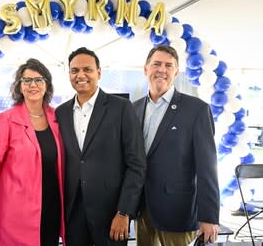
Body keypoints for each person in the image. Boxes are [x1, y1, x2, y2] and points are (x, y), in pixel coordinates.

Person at [55, 47, 146, 246]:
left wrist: (124, 212)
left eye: (87, 69)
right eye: (74, 70)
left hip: (112, 213)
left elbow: (136, 164)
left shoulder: (121, 108)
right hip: (72, 214)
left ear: (99, 73)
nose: (81, 75)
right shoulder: (60, 113)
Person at [133, 45, 220, 246]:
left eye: (168, 65)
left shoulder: (196, 109)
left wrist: (209, 216)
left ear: (176, 71)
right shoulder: (133, 108)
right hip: (142, 210)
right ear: (146, 69)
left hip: (178, 212)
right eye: (156, 64)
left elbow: (207, 167)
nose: (161, 69)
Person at [0, 58, 65, 246]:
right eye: (27, 80)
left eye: (39, 80)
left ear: (47, 85)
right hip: (17, 207)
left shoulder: (59, 117)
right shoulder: (5, 120)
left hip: (52, 202)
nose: (33, 85)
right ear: (19, 86)